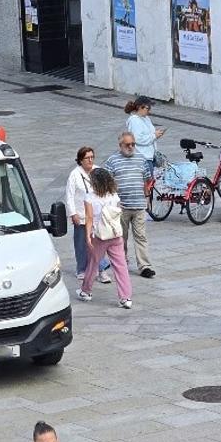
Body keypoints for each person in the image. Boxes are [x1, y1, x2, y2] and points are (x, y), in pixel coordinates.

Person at [76, 168, 133, 309]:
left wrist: (88, 237)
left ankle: (86, 291)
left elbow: (89, 218)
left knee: (93, 264)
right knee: (121, 266)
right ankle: (125, 297)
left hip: (100, 236)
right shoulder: (114, 195)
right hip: (115, 234)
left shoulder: (90, 197)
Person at [104, 131, 155, 279]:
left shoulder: (141, 159)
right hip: (122, 207)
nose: (131, 147)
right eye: (128, 144)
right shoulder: (112, 160)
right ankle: (122, 262)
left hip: (138, 205)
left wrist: (147, 198)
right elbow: (107, 182)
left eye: (133, 144)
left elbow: (146, 180)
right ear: (120, 145)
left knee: (141, 236)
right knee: (121, 237)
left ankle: (144, 266)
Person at [65, 147, 110, 283]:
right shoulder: (74, 175)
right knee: (81, 243)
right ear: (80, 160)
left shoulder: (98, 171)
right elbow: (69, 195)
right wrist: (73, 213)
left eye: (92, 157)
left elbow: (105, 190)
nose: (90, 160)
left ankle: (101, 269)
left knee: (98, 243)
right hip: (81, 214)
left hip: (97, 215)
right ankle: (82, 269)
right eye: (87, 158)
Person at [124, 96, 164, 175]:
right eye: (147, 108)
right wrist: (154, 136)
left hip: (150, 156)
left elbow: (148, 133)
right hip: (143, 158)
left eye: (150, 108)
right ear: (139, 107)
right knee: (147, 184)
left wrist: (156, 133)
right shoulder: (134, 120)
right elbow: (138, 139)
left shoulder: (146, 118)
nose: (149, 110)